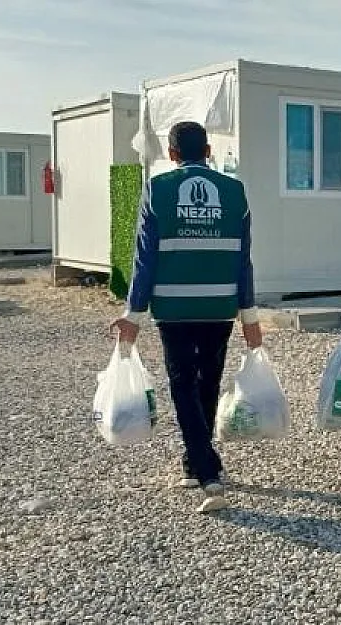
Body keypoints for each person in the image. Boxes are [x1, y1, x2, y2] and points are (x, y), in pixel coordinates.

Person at [111, 121, 263, 514]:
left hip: (174, 308)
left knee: (182, 383)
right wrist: (249, 315)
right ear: (209, 150)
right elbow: (243, 258)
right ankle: (195, 462)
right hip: (218, 307)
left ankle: (207, 469)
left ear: (172, 154)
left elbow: (144, 257)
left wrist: (133, 314)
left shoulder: (157, 190)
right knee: (207, 380)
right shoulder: (234, 192)